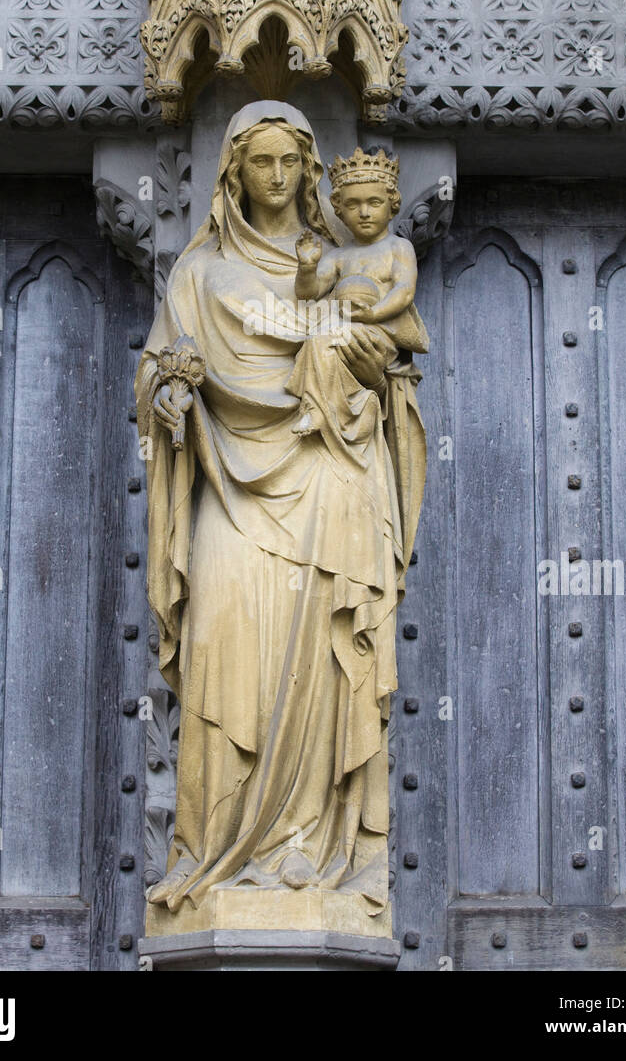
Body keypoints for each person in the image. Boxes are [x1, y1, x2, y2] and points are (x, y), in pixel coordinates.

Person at [135, 101, 426, 919]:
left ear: (307, 172)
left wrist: (377, 374)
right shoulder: (199, 274)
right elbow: (155, 376)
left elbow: (394, 384)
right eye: (260, 162)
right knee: (224, 646)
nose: (275, 177)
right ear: (234, 171)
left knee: (329, 667)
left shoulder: (343, 268)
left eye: (290, 163)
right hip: (229, 486)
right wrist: (171, 391)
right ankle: (219, 859)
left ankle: (315, 855)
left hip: (329, 484)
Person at [289, 146, 428, 453]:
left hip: (379, 332)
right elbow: (308, 292)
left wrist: (373, 314)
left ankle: (352, 406)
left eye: (374, 203)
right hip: (347, 327)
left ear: (392, 205)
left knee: (332, 342)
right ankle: (319, 408)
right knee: (318, 342)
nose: (364, 212)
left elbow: (403, 291)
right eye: (353, 205)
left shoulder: (398, 248)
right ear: (339, 208)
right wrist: (308, 266)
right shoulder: (340, 256)